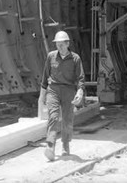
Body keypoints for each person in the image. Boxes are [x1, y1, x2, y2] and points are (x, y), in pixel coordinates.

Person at [40, 30, 85, 161]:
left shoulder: (75, 58)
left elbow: (80, 78)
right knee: (53, 117)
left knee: (67, 119)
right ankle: (50, 147)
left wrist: (80, 91)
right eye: (57, 44)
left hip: (69, 91)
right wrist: (42, 96)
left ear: (67, 43)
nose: (59, 47)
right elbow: (45, 77)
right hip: (53, 90)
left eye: (61, 44)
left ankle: (65, 145)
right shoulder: (51, 56)